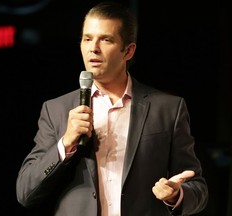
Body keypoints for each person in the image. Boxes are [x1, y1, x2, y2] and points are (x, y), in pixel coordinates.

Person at [16, 1, 208, 215]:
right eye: (87, 39)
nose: (93, 48)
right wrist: (65, 143)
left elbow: (197, 187)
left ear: (128, 51)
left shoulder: (168, 108)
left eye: (105, 39)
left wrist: (176, 195)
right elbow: (25, 192)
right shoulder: (56, 110)